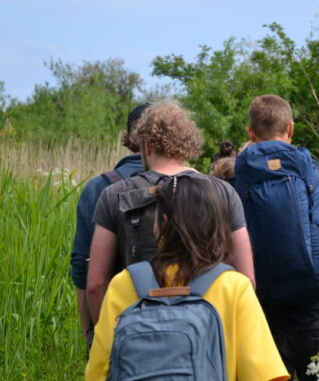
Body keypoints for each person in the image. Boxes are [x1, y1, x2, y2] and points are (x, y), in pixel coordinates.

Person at [86, 175, 288, 381]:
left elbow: (98, 373)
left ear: (162, 223)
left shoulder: (124, 283)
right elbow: (266, 375)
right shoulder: (234, 286)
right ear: (215, 224)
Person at [87, 101, 255, 323]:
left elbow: (96, 285)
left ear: (146, 146)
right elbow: (246, 279)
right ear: (186, 144)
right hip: (207, 332)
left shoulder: (114, 195)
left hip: (137, 333)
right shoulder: (223, 192)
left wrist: (112, 339)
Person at [240, 94, 319, 380]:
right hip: (316, 305)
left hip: (264, 308)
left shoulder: (235, 179)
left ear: (250, 133)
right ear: (290, 128)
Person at [70, 102, 151, 347]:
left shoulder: (98, 187)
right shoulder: (189, 184)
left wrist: (91, 337)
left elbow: (84, 272)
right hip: (179, 321)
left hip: (114, 318)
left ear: (129, 138)